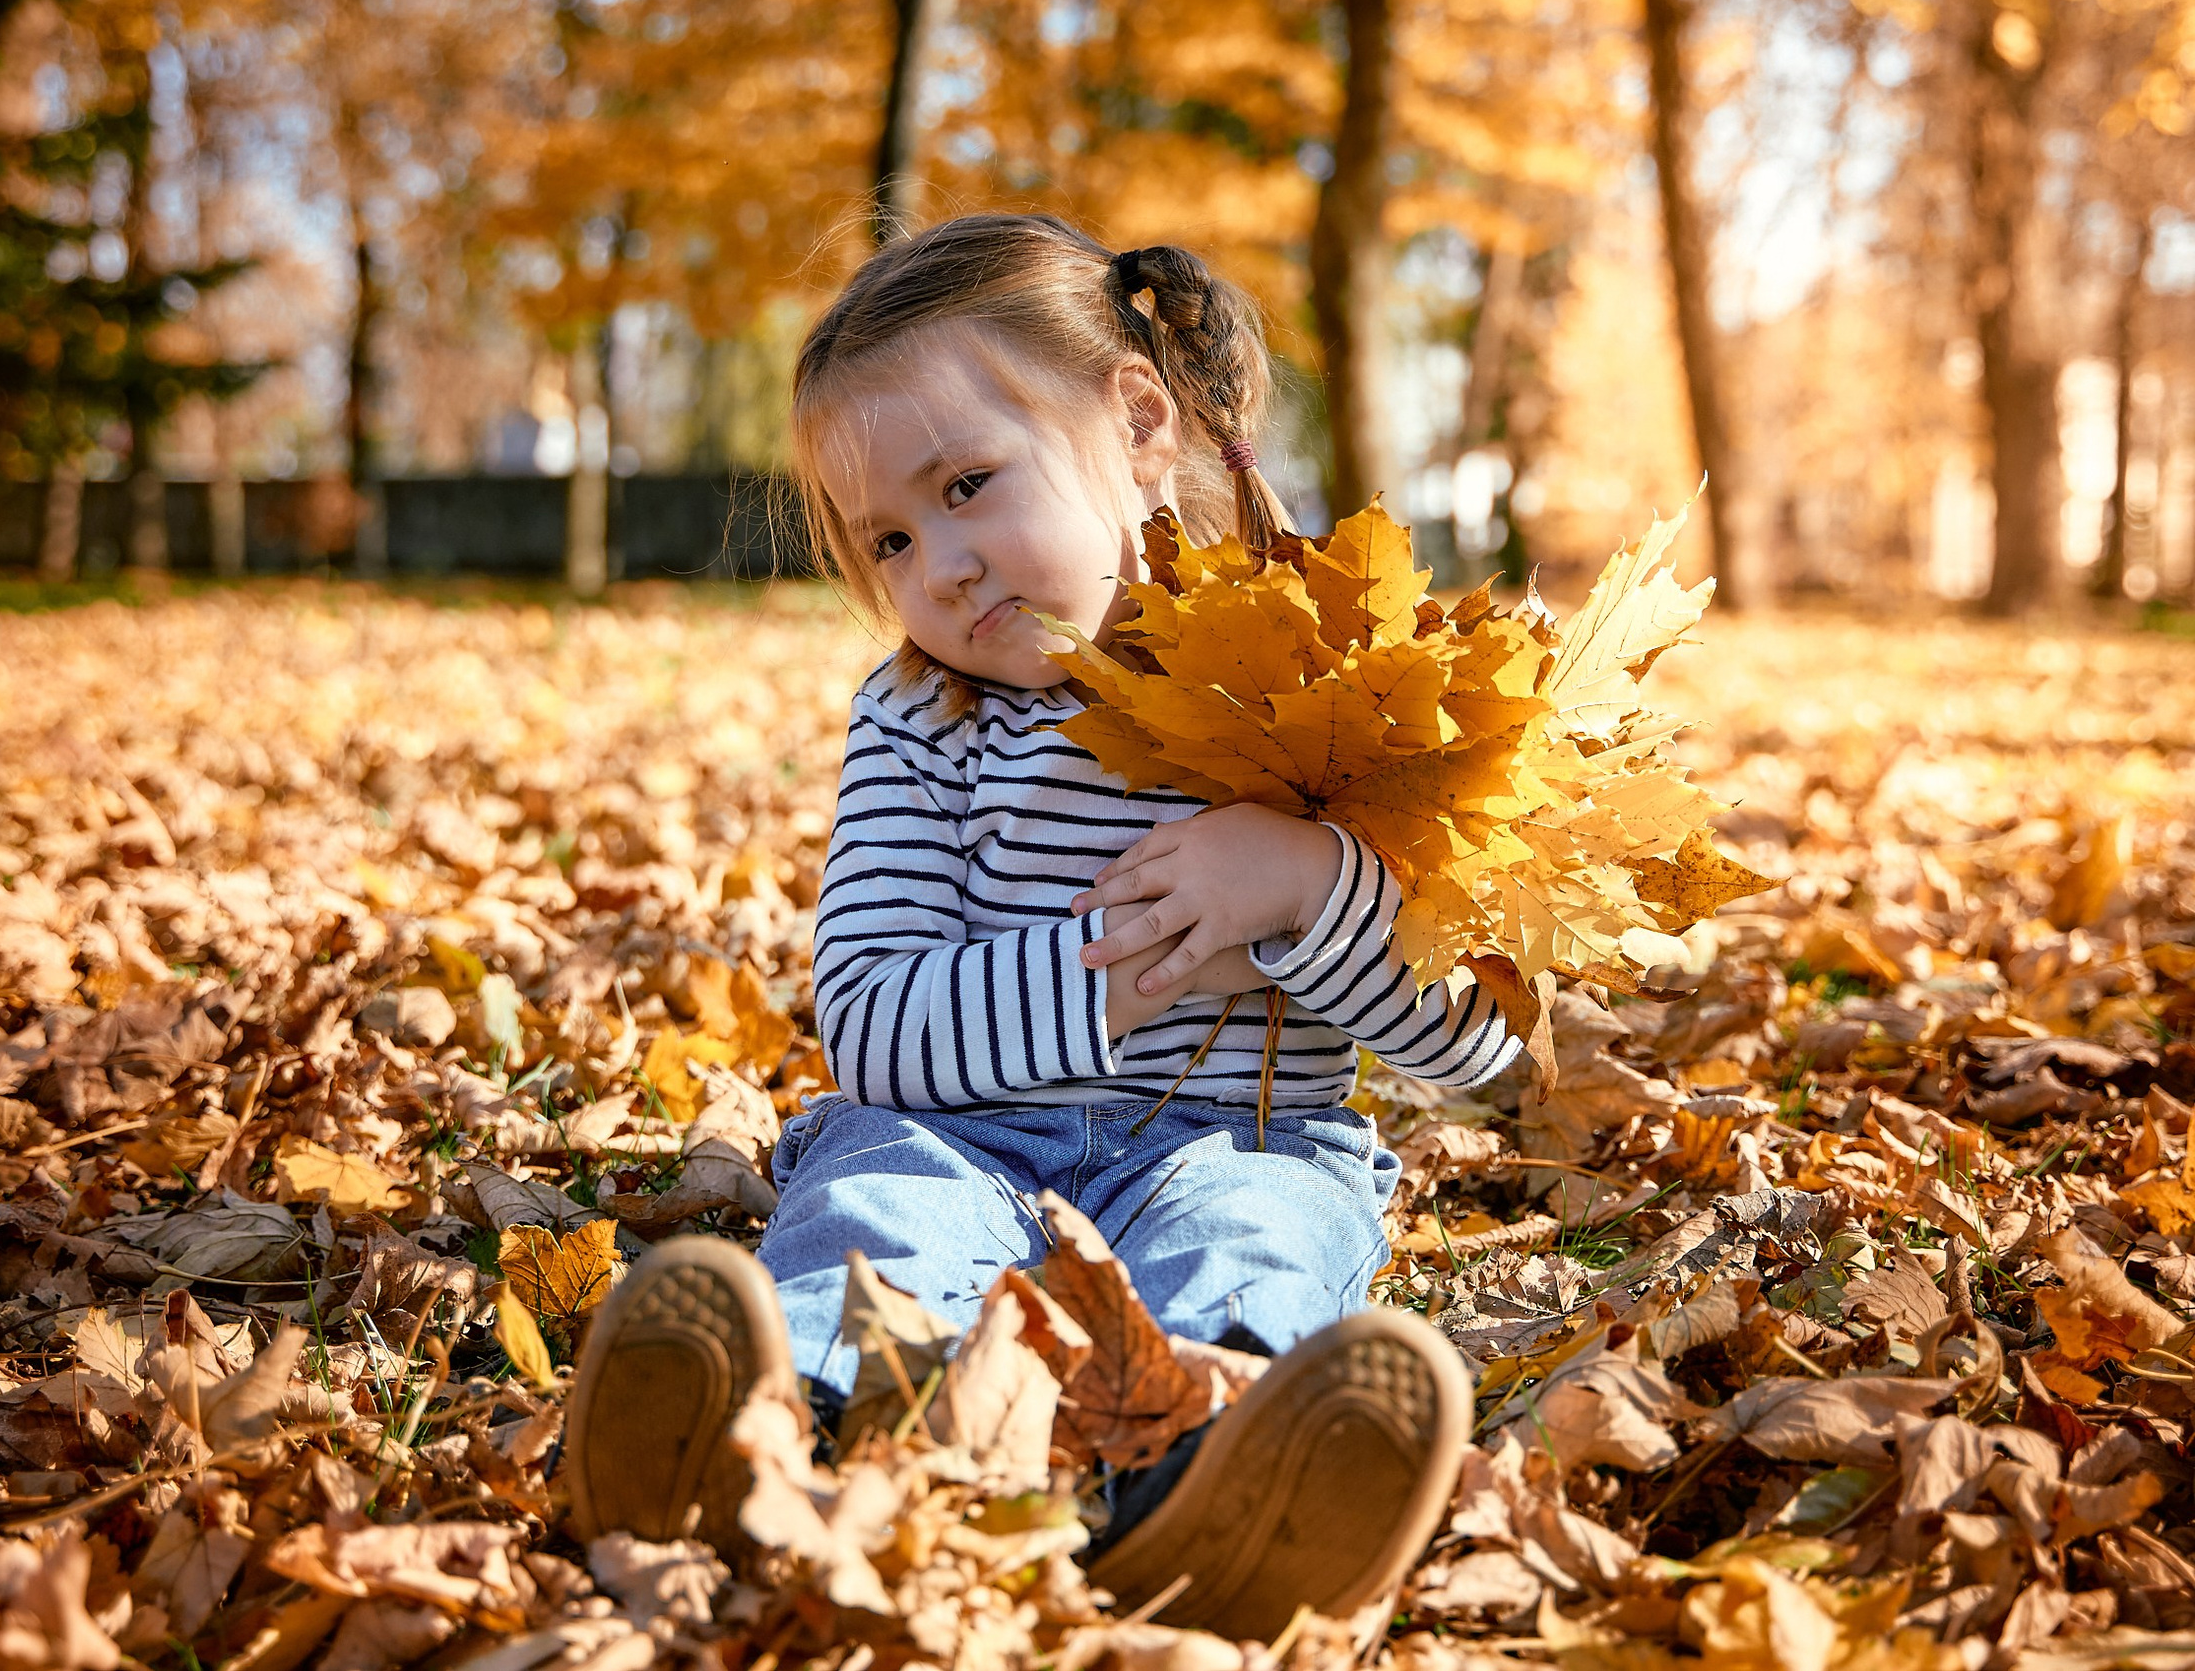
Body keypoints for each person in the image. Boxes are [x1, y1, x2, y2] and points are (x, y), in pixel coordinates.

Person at [559, 214, 1523, 1640]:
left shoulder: (1326, 676)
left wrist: (1306, 883)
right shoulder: (921, 718)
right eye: (892, 534)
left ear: (1136, 422)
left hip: (1235, 1138)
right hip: (969, 1137)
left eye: (967, 484)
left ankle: (1205, 1482)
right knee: (880, 1199)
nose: (939, 561)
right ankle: (784, 1441)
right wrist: (1107, 980)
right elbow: (876, 1027)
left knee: (1259, 1232)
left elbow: (1481, 1037)